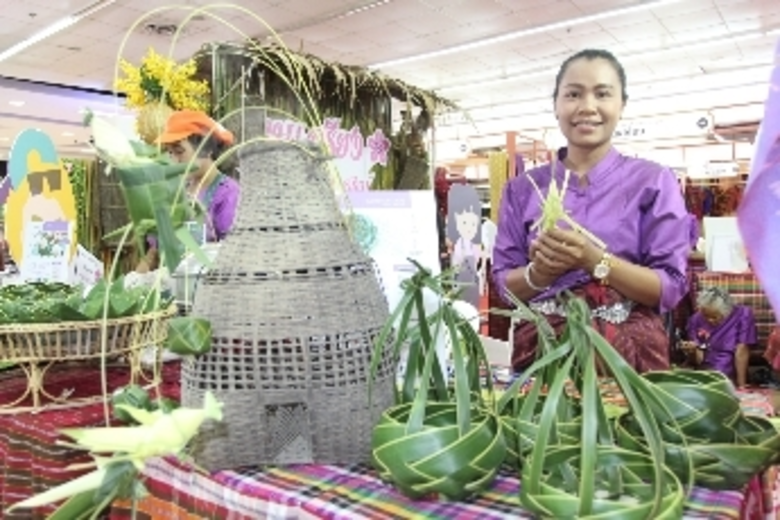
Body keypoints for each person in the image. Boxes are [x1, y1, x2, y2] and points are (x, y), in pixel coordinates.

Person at [491, 49, 690, 374]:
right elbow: (503, 284)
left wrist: (596, 261)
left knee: (624, 425)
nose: (587, 107)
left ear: (621, 105)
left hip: (628, 362)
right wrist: (538, 275)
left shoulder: (653, 181)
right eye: (573, 94)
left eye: (602, 94)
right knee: (544, 426)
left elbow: (668, 288)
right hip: (544, 356)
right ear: (556, 105)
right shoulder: (523, 188)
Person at [137, 110, 240, 272]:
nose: (174, 161)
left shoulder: (228, 195)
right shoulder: (174, 192)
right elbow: (154, 251)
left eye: (179, 152)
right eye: (170, 153)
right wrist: (135, 281)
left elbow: (233, 257)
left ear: (207, 149)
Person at [683, 287, 756, 388]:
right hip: (705, 372)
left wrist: (741, 385)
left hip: (730, 372)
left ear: (727, 310)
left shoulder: (743, 314)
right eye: (705, 316)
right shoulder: (695, 320)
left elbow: (742, 350)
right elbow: (698, 359)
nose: (710, 320)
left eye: (715, 317)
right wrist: (693, 350)